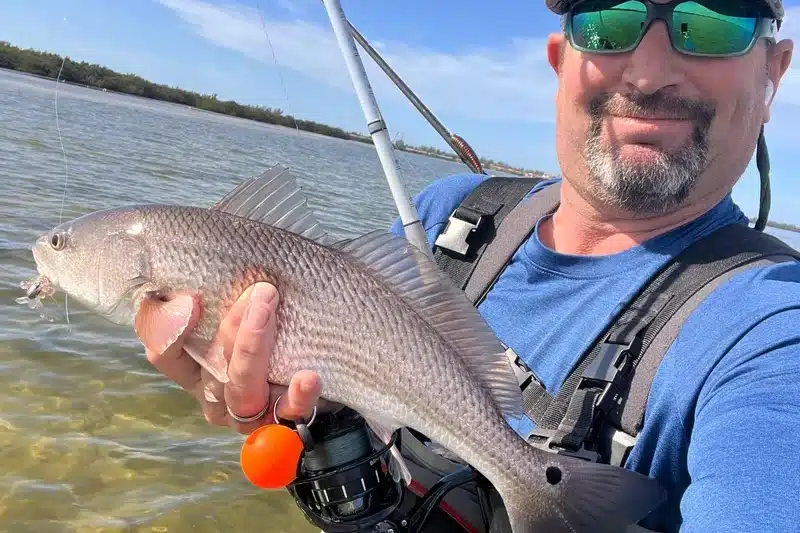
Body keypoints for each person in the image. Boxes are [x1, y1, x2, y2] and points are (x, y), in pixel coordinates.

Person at [142, 1, 799, 532]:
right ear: (560, 60)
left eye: (712, 23)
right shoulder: (446, 217)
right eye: (607, 21)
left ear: (775, 71)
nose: (649, 73)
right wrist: (297, 409)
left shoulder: (770, 339)